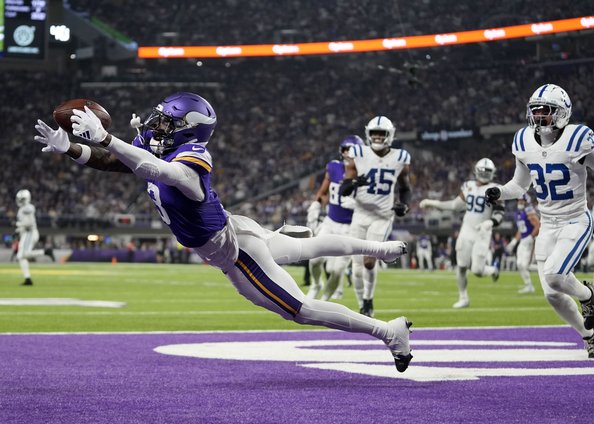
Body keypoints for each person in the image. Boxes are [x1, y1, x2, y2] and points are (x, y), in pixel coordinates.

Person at [34, 92, 413, 372]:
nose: (156, 125)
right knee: (307, 247)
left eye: (167, 121)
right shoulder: (155, 146)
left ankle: (388, 331)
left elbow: (158, 172)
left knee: (300, 310)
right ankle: (380, 248)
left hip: (233, 251)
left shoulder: (194, 156)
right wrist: (72, 148)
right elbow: (119, 162)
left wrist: (104, 137)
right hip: (233, 227)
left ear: (188, 129)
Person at [484, 83, 594, 359]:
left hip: (575, 220)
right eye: (535, 111)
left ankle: (586, 294)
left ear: (561, 113)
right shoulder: (523, 141)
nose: (539, 117)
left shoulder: (577, 138)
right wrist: (500, 191)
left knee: (555, 275)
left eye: (545, 111)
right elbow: (519, 186)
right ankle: (590, 337)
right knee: (552, 293)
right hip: (547, 224)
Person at [339, 116, 412, 317]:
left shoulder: (400, 157)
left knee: (369, 261)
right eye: (374, 133)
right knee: (356, 267)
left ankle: (369, 300)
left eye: (382, 133)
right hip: (361, 214)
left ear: (390, 135)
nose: (378, 137)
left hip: (382, 216)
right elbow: (344, 189)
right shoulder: (358, 153)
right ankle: (362, 303)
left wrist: (404, 205)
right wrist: (354, 183)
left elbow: (405, 188)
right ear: (368, 134)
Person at [419, 158, 504, 308]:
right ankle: (463, 297)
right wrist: (432, 202)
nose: (484, 173)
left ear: (493, 173)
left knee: (477, 270)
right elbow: (455, 205)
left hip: (483, 231)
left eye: (487, 171)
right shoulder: (468, 186)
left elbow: (500, 213)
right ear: (476, 171)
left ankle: (492, 270)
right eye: (482, 170)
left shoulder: (496, 188)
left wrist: (491, 222)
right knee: (462, 266)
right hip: (467, 229)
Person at [306, 135, 363, 301]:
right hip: (330, 223)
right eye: (346, 150)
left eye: (353, 151)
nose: (349, 154)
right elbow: (324, 193)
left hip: (350, 228)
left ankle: (324, 301)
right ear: (342, 151)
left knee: (337, 270)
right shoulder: (333, 167)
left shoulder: (365, 174)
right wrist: (316, 205)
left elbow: (371, 204)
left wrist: (358, 204)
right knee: (314, 259)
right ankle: (316, 284)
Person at [14, 189, 55, 286]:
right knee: (20, 256)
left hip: (30, 233)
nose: (21, 201)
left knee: (23, 254)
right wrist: (18, 230)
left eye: (22, 199)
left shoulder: (28, 208)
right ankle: (27, 278)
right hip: (26, 233)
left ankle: (46, 252)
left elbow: (29, 223)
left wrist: (19, 225)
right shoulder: (22, 209)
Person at [505, 193, 541, 294]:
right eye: (519, 201)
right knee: (520, 264)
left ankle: (550, 274)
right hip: (523, 240)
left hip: (530, 240)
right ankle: (528, 285)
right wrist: (514, 242)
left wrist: (531, 237)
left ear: (526, 201)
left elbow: (538, 225)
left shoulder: (529, 211)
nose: (520, 202)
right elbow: (521, 230)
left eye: (522, 201)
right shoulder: (518, 213)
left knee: (526, 265)